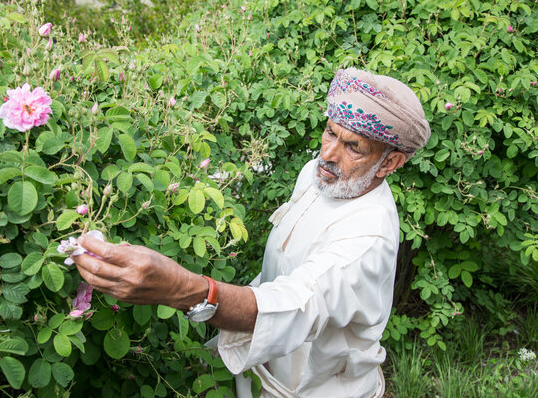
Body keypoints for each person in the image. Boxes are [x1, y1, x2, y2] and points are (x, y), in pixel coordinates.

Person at [72, 67, 431, 397]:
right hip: (263, 367)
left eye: (353, 147)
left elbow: (298, 304)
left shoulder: (367, 239)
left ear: (391, 162)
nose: (329, 153)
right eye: (329, 133)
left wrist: (183, 289)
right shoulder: (318, 172)